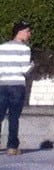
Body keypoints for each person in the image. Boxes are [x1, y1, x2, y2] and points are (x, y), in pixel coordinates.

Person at [0, 22, 30, 155]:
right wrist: (32, 64)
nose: (29, 34)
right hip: (17, 86)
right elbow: (25, 69)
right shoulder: (24, 49)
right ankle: (12, 146)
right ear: (20, 32)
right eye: (28, 31)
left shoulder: (2, 48)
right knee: (13, 117)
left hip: (2, 85)